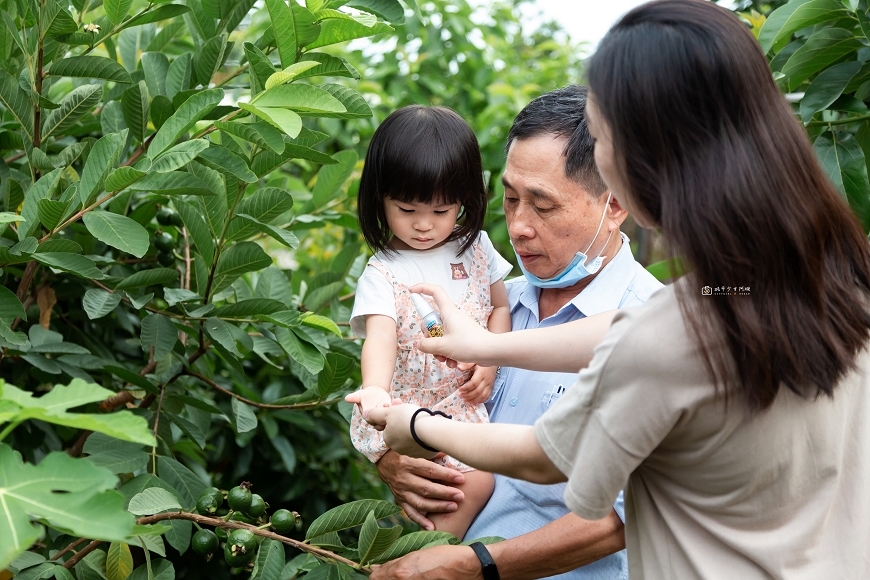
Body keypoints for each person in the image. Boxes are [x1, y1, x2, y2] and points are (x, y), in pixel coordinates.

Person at [367, 1, 870, 578]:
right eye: (509, 198)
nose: (519, 223)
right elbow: (631, 330)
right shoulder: (824, 283)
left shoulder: (672, 332)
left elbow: (545, 456)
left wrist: (416, 424)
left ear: (628, 184)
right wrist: (480, 351)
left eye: (605, 138)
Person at [371, 85, 662, 580]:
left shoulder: (654, 326)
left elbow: (623, 517)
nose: (519, 226)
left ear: (614, 204)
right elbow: (410, 392)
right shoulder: (483, 305)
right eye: (509, 199)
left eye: (542, 206)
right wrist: (394, 461)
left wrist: (472, 566)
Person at [345, 105, 513, 539]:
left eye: (441, 212)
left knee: (463, 486)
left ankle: (428, 556)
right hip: (410, 405)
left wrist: (490, 360)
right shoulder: (384, 271)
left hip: (463, 400)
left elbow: (499, 308)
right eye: (406, 209)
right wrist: (377, 391)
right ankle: (433, 555)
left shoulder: (475, 249)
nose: (423, 226)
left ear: (465, 201)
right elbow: (380, 339)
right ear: (378, 198)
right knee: (465, 483)